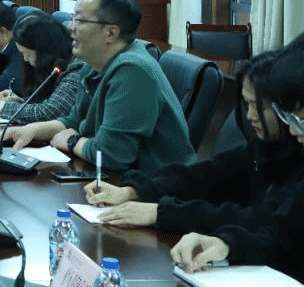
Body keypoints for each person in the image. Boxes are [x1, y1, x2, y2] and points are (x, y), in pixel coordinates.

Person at [84, 51, 304, 234]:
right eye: (247, 105)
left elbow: (262, 220)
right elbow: (204, 176)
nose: (250, 116)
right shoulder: (263, 148)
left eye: (258, 106)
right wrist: (134, 190)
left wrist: (162, 213)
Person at [0, 0, 195, 173]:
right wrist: (32, 130)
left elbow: (111, 154)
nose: (70, 27)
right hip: (114, 179)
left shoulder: (132, 71)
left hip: (150, 188)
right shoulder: (93, 64)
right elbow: (74, 120)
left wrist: (72, 141)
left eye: (79, 20)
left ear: (111, 33)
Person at [169, 39, 304, 282]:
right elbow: (280, 235)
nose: (293, 130)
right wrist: (227, 244)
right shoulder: (263, 150)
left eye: (299, 120)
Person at [0, 12, 84, 124]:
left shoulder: (76, 67)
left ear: (44, 51)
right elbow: (45, 102)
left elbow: (50, 112)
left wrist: (3, 108)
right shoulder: (49, 66)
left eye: (27, 54)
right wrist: (21, 102)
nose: (25, 59)